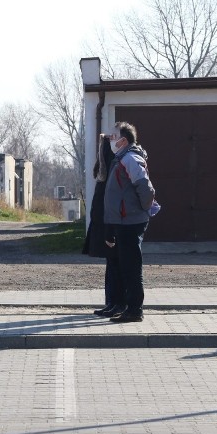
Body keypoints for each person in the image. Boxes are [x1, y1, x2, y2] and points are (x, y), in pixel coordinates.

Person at [103, 122, 155, 323]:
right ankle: (123, 305)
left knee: (131, 267)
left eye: (113, 136)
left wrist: (140, 210)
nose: (110, 140)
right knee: (123, 265)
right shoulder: (120, 158)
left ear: (124, 140)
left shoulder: (131, 159)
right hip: (122, 221)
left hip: (130, 222)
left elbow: (146, 188)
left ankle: (135, 310)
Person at [82, 133, 124, 317]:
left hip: (113, 224)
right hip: (107, 223)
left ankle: (118, 303)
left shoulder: (116, 166)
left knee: (117, 266)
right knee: (112, 265)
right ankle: (112, 303)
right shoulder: (109, 169)